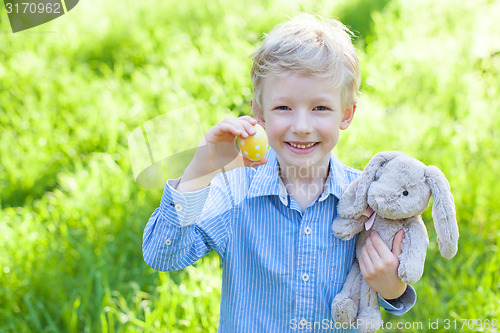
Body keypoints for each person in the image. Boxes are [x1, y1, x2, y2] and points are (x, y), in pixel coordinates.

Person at [142, 13, 416, 332]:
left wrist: (393, 289)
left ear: (347, 113)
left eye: (320, 108)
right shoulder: (234, 192)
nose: (301, 127)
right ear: (259, 113)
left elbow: (384, 282)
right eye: (283, 108)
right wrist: (201, 169)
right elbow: (163, 254)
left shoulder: (368, 200)